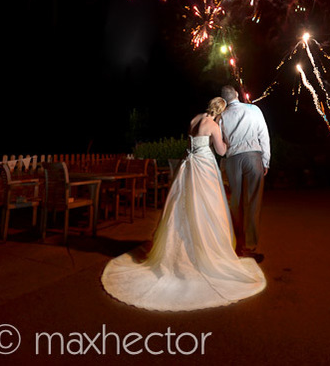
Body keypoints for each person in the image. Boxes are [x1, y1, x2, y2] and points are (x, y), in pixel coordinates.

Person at [101, 97, 266, 311]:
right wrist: (227, 140)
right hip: (205, 166)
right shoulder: (214, 125)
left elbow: (191, 142)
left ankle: (180, 247)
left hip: (189, 165)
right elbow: (222, 151)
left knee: (185, 205)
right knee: (207, 208)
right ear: (220, 112)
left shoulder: (195, 119)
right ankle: (203, 251)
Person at [219, 85, 270, 260]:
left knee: (235, 202)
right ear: (237, 95)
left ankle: (237, 244)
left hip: (232, 160)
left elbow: (221, 143)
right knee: (252, 202)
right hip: (252, 157)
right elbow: (263, 135)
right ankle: (249, 246)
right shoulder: (253, 109)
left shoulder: (222, 116)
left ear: (224, 100)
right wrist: (266, 160)